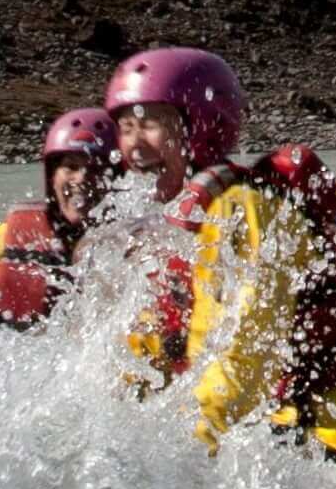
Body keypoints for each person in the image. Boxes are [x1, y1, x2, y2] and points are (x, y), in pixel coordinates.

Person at [180, 141, 336, 441]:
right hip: (315, 404)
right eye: (335, 222)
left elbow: (250, 348)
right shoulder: (284, 258)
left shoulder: (284, 253)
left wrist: (205, 425)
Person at [97, 45, 250, 387]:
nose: (134, 145)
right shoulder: (133, 219)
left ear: (201, 126)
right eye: (126, 127)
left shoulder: (239, 207)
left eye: (149, 125)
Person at [0, 106, 116, 327]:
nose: (82, 178)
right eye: (70, 167)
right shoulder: (0, 244)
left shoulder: (140, 247)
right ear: (51, 177)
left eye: (96, 168)